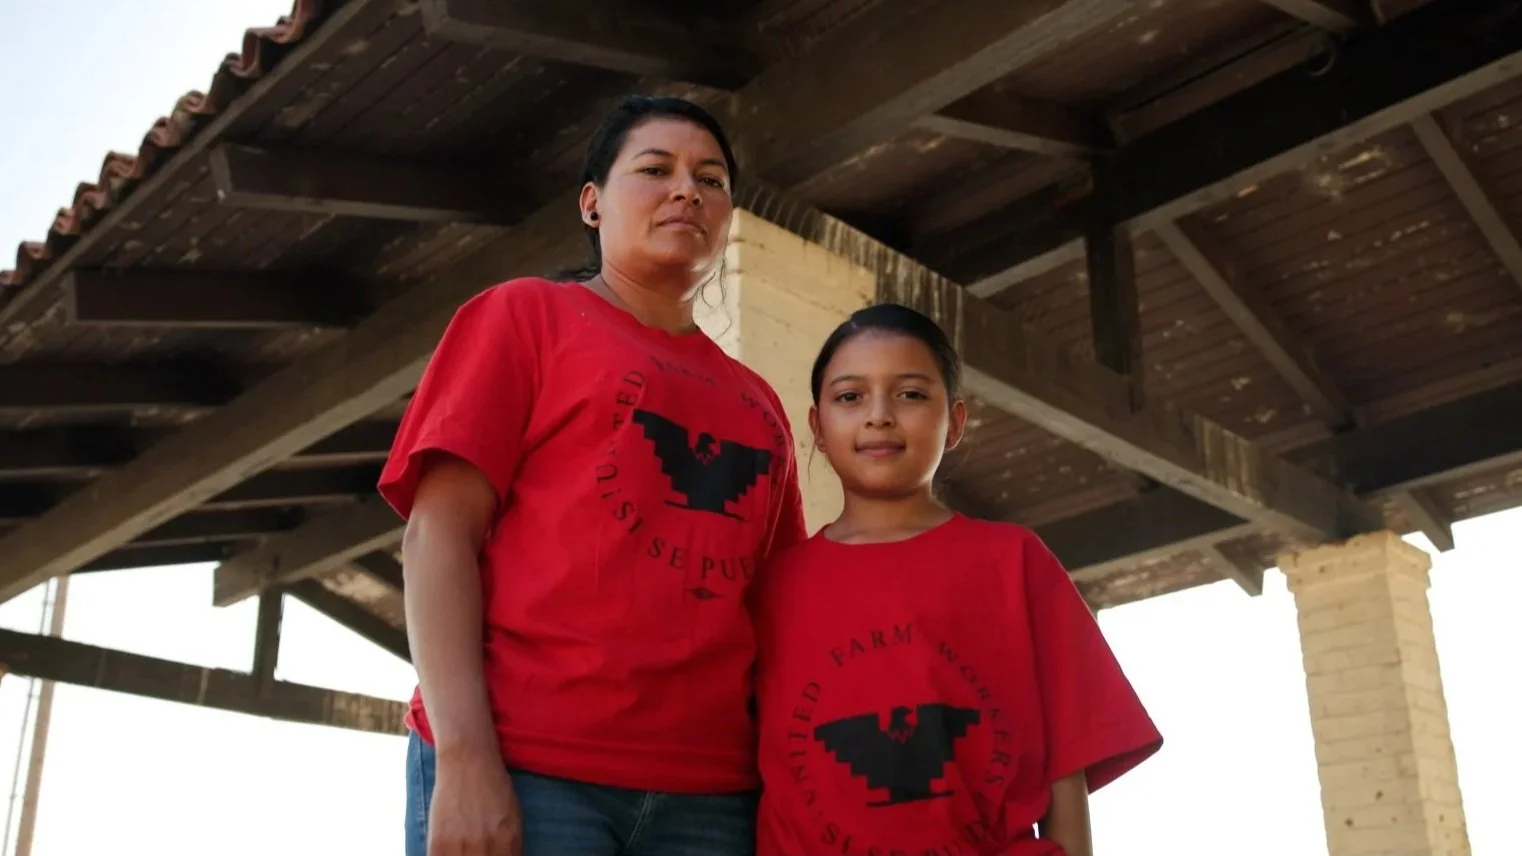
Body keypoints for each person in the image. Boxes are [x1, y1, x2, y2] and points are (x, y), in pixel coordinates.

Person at [379, 94, 808, 856]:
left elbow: (779, 622)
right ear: (592, 203)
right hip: (531, 772)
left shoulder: (762, 405)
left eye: (711, 179)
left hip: (717, 802)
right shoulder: (524, 318)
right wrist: (466, 758)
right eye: (656, 169)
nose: (688, 190)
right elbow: (435, 535)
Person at [753, 303, 1162, 856]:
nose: (879, 415)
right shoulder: (773, 586)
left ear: (957, 422)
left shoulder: (1013, 562)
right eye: (850, 396)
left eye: (911, 394)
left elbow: (1067, 763)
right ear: (817, 427)